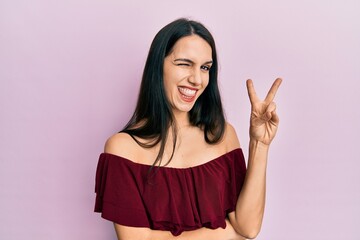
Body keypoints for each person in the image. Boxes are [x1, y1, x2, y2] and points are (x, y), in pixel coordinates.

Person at [94, 18, 282, 240]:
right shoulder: (122, 149)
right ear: (158, 66)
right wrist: (227, 235)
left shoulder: (222, 135)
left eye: (205, 68)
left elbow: (248, 228)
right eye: (184, 63)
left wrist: (259, 143)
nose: (196, 79)